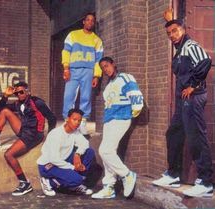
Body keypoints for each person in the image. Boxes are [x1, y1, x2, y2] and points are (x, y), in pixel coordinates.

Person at [152, 18, 214, 198]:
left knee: (196, 136)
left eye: (175, 31)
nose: (172, 35)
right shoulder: (180, 50)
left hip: (193, 98)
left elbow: (205, 61)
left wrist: (193, 85)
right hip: (183, 100)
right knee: (174, 133)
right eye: (169, 33)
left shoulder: (190, 46)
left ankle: (206, 182)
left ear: (183, 30)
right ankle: (173, 174)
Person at [0, 81, 57, 196]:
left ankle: (24, 183)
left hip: (34, 135)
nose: (19, 95)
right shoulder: (17, 104)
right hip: (24, 130)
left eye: (21, 92)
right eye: (17, 93)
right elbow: (0, 108)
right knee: (5, 111)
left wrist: (49, 136)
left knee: (8, 154)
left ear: (27, 91)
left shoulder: (37, 102)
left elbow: (52, 118)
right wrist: (6, 95)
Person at [91, 57, 144, 199]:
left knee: (105, 150)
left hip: (121, 118)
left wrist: (134, 111)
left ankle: (127, 175)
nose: (105, 69)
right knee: (109, 152)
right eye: (102, 68)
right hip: (109, 120)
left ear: (113, 65)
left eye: (107, 66)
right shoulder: (108, 85)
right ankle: (109, 187)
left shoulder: (125, 77)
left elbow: (136, 95)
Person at [37, 108, 95, 197]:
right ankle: (48, 181)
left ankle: (76, 184)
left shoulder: (75, 132)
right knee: (76, 179)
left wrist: (77, 154)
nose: (77, 123)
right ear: (67, 119)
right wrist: (73, 167)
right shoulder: (56, 134)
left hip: (63, 160)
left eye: (79, 120)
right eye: (74, 119)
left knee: (89, 152)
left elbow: (85, 143)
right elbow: (54, 159)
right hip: (49, 165)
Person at [62, 12, 103, 135]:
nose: (90, 22)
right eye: (88, 20)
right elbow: (66, 52)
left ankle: (83, 122)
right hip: (73, 69)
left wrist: (96, 75)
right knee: (68, 96)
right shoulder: (73, 35)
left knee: (86, 97)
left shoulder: (97, 40)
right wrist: (66, 68)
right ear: (83, 21)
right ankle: (68, 120)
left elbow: (98, 60)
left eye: (92, 21)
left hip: (88, 71)